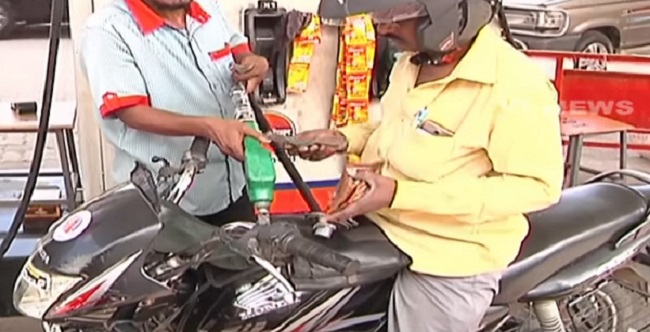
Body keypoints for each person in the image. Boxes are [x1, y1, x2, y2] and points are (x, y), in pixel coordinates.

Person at [288, 0, 565, 331]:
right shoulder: (412, 62)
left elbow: (537, 187)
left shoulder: (515, 86)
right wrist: (344, 138)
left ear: (451, 17)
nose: (384, 27)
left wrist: (398, 194)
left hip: (450, 259)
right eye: (380, 16)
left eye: (396, 18)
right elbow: (401, 126)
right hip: (382, 229)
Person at [79, 0, 270, 226]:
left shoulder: (208, 6)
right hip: (168, 205)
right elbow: (131, 111)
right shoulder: (107, 29)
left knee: (241, 259)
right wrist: (209, 128)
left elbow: (236, 45)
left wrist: (253, 61)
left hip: (235, 189)